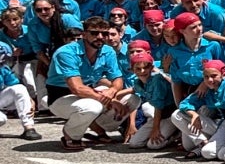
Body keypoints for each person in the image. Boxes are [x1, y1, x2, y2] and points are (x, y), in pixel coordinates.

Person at [46, 15, 125, 151]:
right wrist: (110, 101)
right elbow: (77, 88)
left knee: (130, 100)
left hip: (89, 92)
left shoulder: (108, 51)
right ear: (83, 35)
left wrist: (112, 92)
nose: (100, 36)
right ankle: (71, 135)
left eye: (104, 33)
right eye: (94, 33)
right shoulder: (66, 53)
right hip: (61, 97)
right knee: (92, 106)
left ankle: (97, 127)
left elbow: (118, 79)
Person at [120, 42, 177, 151]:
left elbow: (159, 107)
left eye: (146, 67)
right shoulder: (137, 82)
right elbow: (131, 90)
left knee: (153, 145)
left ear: (152, 68)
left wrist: (155, 129)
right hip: (158, 116)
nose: (142, 71)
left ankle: (176, 133)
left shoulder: (156, 80)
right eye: (138, 69)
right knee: (134, 143)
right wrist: (114, 98)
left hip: (170, 115)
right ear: (132, 70)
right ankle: (160, 129)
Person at [171, 59, 225, 156]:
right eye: (206, 77)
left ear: (223, 74)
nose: (210, 80)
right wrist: (194, 115)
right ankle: (202, 142)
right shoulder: (206, 89)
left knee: (208, 153)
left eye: (214, 76)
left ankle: (209, 145)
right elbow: (184, 104)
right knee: (177, 115)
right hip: (212, 125)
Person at [166, 11, 222, 103]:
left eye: (200, 25)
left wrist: (204, 84)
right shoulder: (174, 52)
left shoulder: (212, 46)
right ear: (182, 31)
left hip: (211, 88)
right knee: (178, 116)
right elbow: (176, 80)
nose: (199, 29)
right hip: (188, 90)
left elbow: (223, 70)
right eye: (193, 27)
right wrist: (178, 104)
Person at [0, 40, 40, 139]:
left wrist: (29, 99)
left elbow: (15, 85)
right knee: (1, 119)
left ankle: (29, 128)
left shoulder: (3, 68)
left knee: (20, 88)